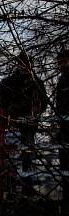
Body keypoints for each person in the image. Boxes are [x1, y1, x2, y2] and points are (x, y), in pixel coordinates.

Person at [0, 51, 48, 197]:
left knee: (27, 157)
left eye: (27, 64)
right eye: (21, 64)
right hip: (13, 124)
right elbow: (0, 96)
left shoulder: (36, 82)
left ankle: (27, 187)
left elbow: (43, 102)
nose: (24, 67)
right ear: (17, 65)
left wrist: (34, 110)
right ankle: (13, 188)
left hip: (28, 126)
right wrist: (11, 109)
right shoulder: (9, 82)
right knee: (12, 158)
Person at [54, 50, 69, 201]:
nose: (61, 65)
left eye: (64, 61)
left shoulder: (64, 80)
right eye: (60, 62)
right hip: (63, 127)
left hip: (65, 126)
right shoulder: (61, 80)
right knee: (64, 164)